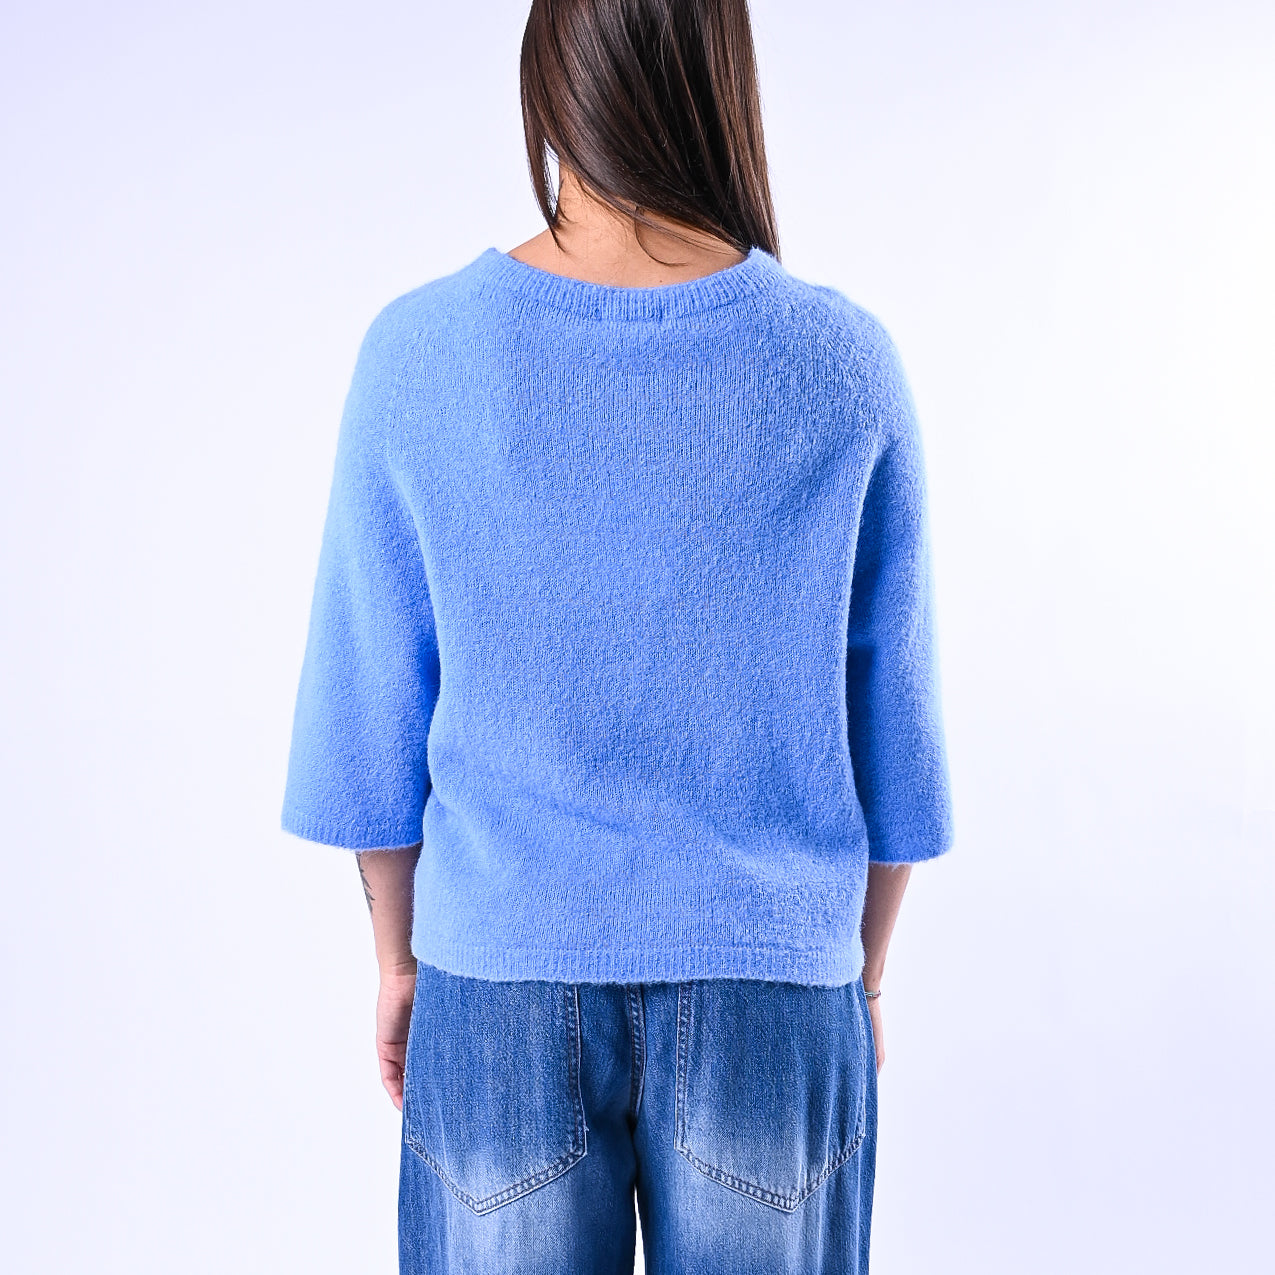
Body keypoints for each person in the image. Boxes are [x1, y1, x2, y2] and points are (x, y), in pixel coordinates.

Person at [281, 0, 954, 1270]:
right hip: (774, 988)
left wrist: (398, 961)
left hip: (499, 981)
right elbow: (895, 740)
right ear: (721, 79)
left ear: (549, 84)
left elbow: (367, 715)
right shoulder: (843, 362)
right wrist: (857, 976)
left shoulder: (416, 355)